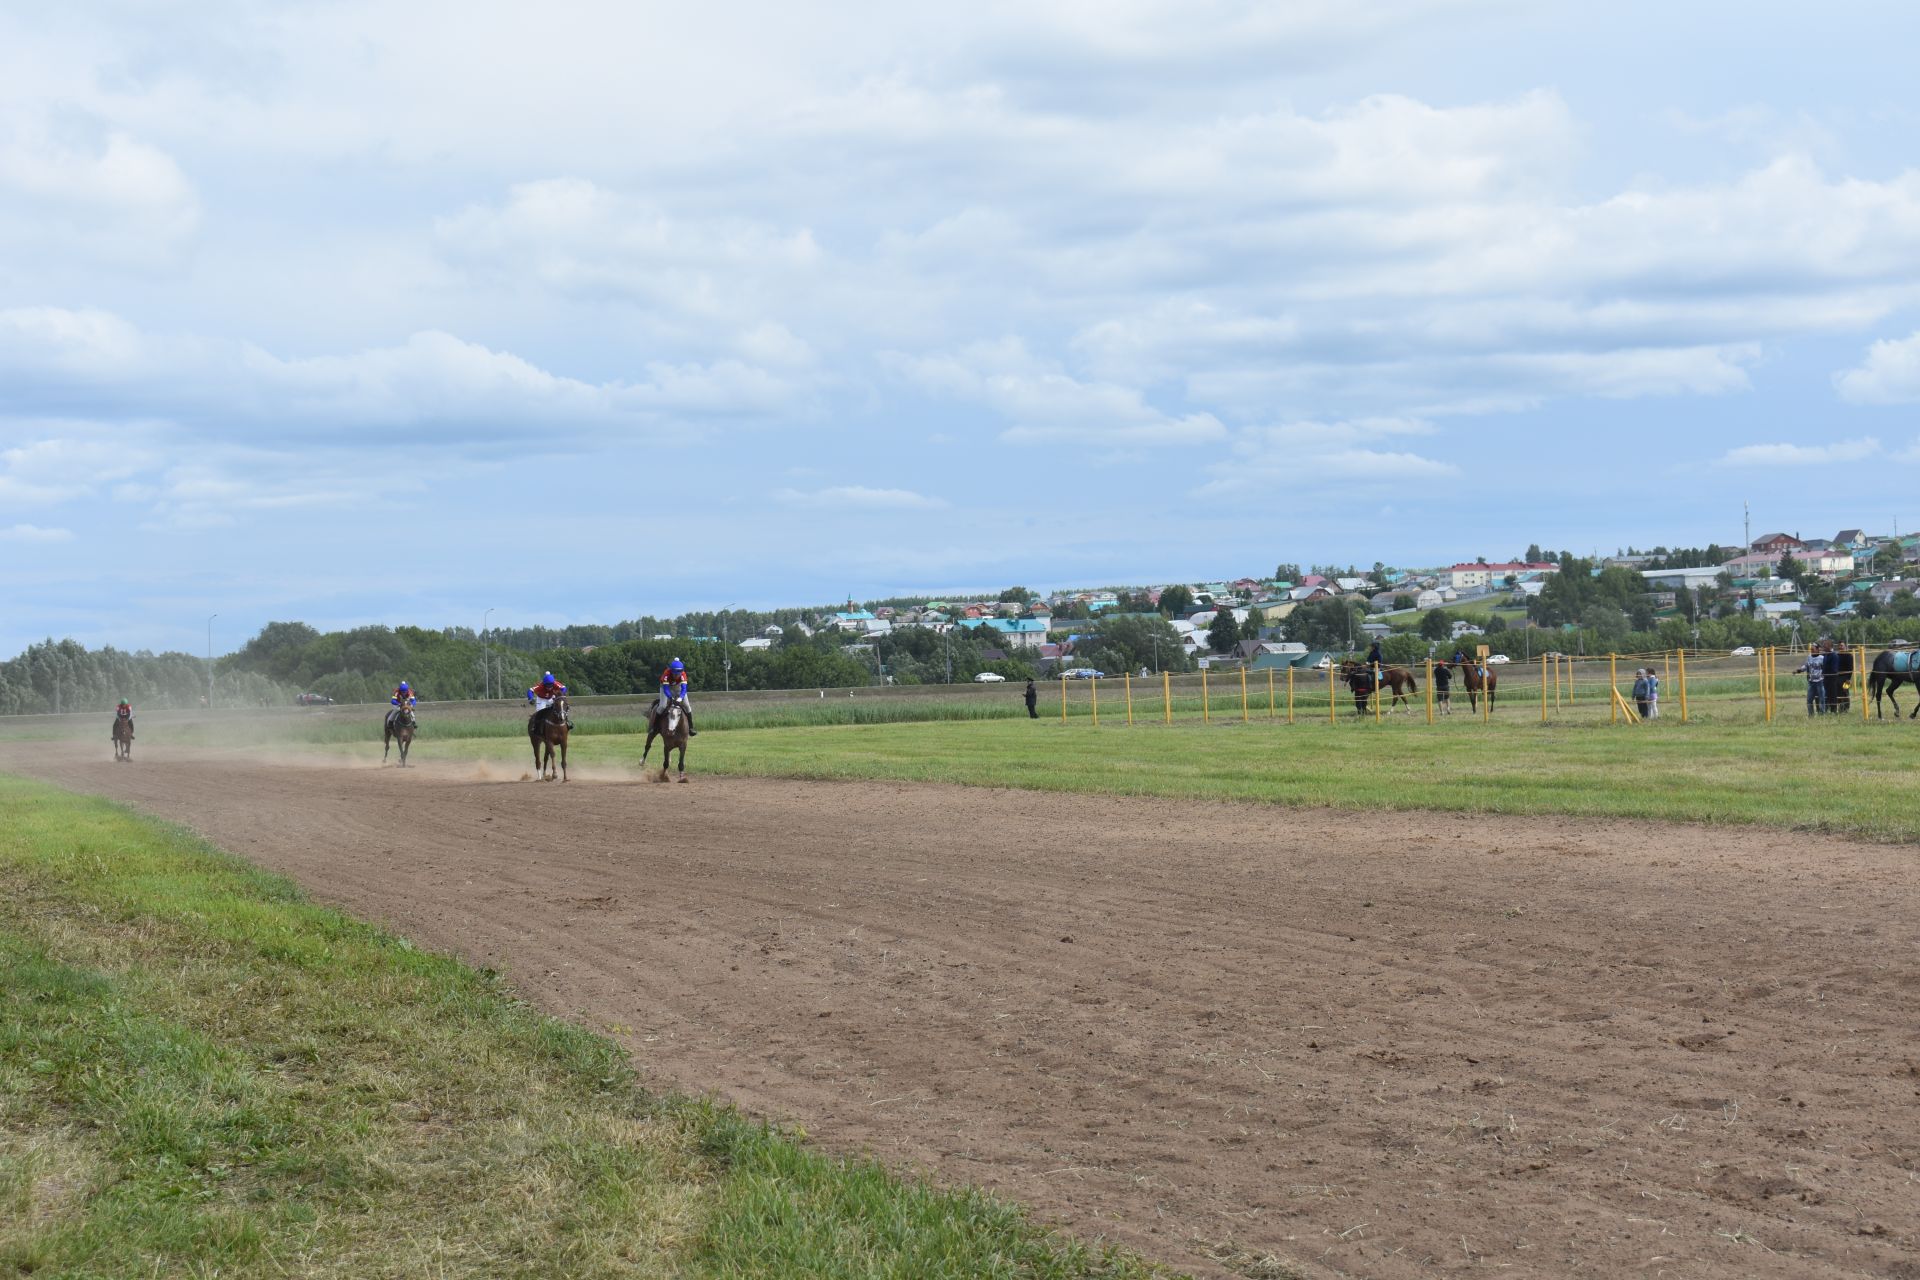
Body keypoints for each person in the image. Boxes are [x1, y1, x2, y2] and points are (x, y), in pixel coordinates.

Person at [653, 658, 696, 735]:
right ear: (671, 671)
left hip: (678, 687)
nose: (676, 676)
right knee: (662, 706)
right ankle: (654, 727)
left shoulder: (683, 675)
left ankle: (691, 728)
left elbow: (684, 689)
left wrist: (680, 698)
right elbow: (666, 689)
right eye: (675, 674)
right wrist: (671, 698)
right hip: (666, 687)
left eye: (678, 674)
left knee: (687, 706)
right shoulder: (666, 674)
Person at [1793, 646, 1827, 716]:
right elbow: (1806, 666)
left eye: (1813, 649)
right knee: (1809, 700)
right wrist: (1798, 670)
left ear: (1818, 650)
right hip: (1811, 682)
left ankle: (1822, 715)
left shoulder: (1822, 658)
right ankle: (1811, 715)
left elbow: (1826, 668)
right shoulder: (1809, 657)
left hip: (1820, 682)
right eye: (1811, 649)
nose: (1811, 651)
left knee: (1821, 700)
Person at [1824, 639, 1852, 714]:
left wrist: (1848, 680)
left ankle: (1845, 709)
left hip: (1847, 678)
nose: (1840, 647)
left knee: (1845, 692)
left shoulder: (1849, 655)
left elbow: (1850, 669)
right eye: (1839, 646)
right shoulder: (1837, 655)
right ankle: (1838, 709)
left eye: (1842, 645)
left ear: (1845, 646)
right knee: (1837, 693)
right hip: (1837, 678)